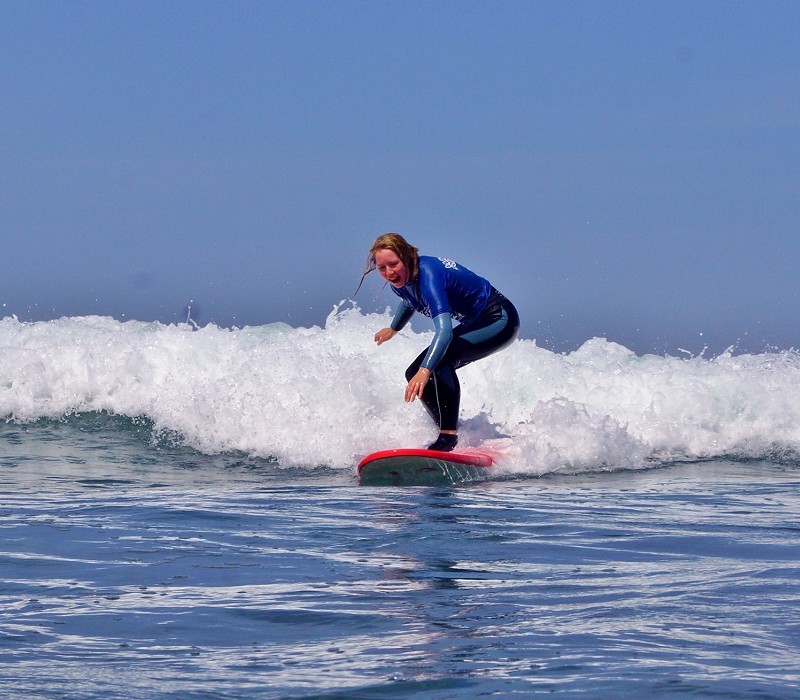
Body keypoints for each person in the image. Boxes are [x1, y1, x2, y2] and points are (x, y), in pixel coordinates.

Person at [358, 233, 520, 452]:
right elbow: (409, 300)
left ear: (406, 257)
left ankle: (448, 437)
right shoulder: (401, 279)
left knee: (438, 362)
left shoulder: (429, 275)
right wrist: (393, 329)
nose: (389, 273)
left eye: (393, 264)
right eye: (382, 268)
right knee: (412, 372)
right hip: (476, 321)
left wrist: (426, 370)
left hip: (499, 318)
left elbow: (444, 332)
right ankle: (451, 429)